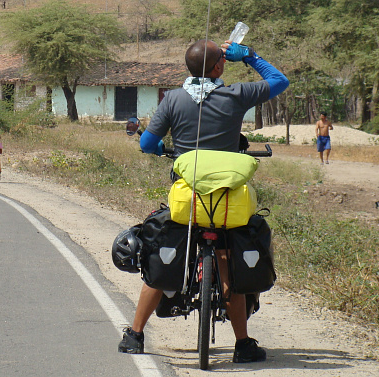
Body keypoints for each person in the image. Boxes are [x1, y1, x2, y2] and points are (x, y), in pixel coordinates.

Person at [119, 39, 289, 363]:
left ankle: (134, 335)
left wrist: (159, 149)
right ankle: (242, 344)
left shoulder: (173, 99)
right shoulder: (237, 94)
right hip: (226, 204)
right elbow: (280, 81)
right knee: (227, 263)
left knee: (162, 255)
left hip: (188, 201)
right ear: (219, 67)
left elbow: (146, 142)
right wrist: (250, 56)